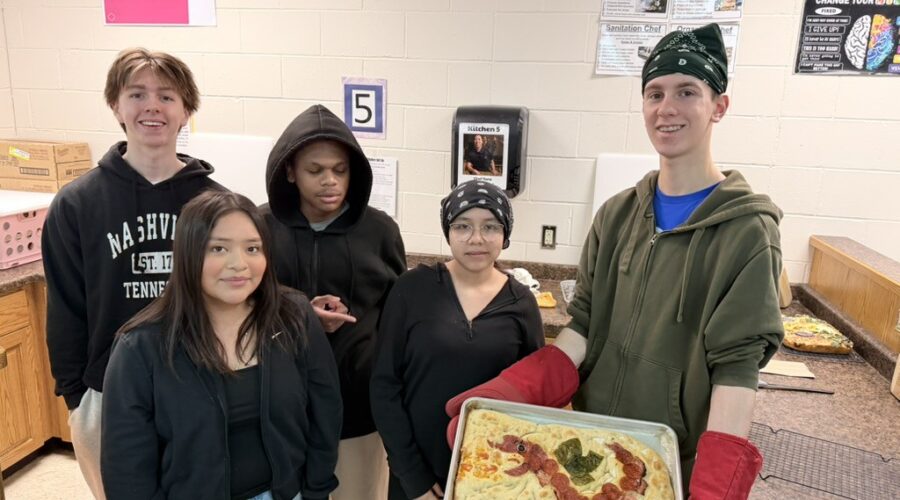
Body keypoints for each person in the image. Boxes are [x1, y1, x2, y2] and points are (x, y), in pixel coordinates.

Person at [446, 24, 783, 499]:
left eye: (687, 92)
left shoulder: (747, 232)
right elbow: (584, 328)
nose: (667, 108)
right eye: (655, 93)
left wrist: (714, 489)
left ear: (719, 106)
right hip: (592, 451)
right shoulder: (617, 214)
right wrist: (512, 392)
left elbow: (736, 372)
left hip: (670, 464)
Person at [42, 47, 224, 499]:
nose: (152, 106)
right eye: (137, 94)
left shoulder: (215, 204)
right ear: (115, 106)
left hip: (199, 386)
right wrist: (77, 398)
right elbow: (65, 307)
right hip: (107, 394)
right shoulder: (76, 204)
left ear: (186, 110)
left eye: (167, 96)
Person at [101, 191, 342, 500]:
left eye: (252, 248)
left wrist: (316, 490)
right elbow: (127, 468)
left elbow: (325, 409)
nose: (239, 264)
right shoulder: (140, 347)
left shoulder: (293, 315)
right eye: (218, 248)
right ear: (188, 254)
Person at [262, 104, 407, 500]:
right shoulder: (260, 227)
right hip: (279, 405)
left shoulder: (380, 231)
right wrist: (299, 313)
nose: (330, 181)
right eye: (315, 170)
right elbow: (241, 302)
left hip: (357, 408)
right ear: (290, 171)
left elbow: (398, 318)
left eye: (340, 170)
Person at [371, 181, 544, 500]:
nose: (476, 238)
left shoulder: (521, 302)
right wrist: (412, 475)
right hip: (419, 471)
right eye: (462, 226)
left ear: (505, 233)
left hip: (493, 472)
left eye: (490, 226)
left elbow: (533, 398)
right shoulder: (412, 289)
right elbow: (384, 386)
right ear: (448, 232)